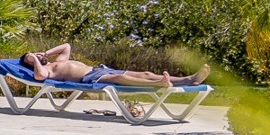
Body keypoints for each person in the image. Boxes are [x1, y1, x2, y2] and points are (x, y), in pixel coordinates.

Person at [20, 43, 208, 89]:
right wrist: (33, 60)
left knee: (145, 72)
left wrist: (44, 53)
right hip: (88, 79)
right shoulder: (46, 70)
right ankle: (158, 84)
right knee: (119, 79)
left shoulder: (57, 61)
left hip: (98, 69)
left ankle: (189, 79)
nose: (35, 57)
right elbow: (38, 77)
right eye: (31, 59)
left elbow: (67, 46)